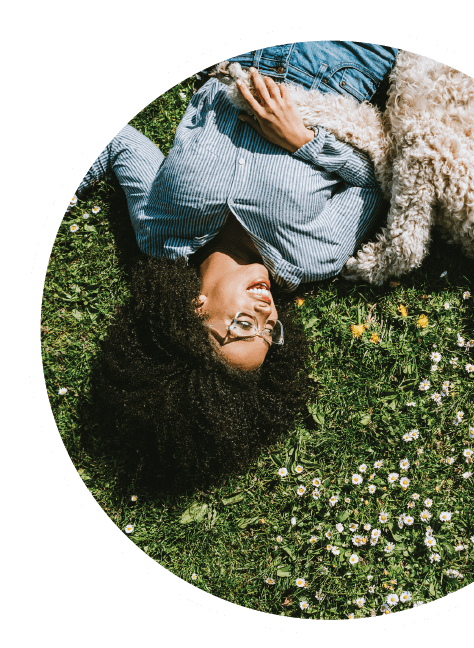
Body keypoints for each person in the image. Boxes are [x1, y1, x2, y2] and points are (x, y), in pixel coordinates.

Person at [80, 42, 398, 489]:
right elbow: (376, 185)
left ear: (193, 312)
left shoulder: (160, 233)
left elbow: (119, 143)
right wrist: (306, 143)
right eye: (271, 333)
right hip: (342, 69)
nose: (268, 315)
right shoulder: (311, 257)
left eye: (245, 324)